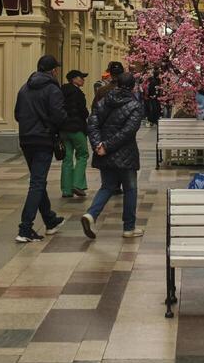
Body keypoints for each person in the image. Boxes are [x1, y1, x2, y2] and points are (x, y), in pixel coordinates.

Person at [81, 72, 145, 239]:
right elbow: (128, 131)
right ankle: (129, 228)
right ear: (133, 86)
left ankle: (91, 215)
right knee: (130, 189)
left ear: (116, 84)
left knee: (107, 186)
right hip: (126, 154)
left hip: (104, 153)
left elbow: (92, 123)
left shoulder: (104, 101)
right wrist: (107, 146)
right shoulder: (135, 105)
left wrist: (98, 145)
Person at [13, 54, 69, 243]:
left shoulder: (24, 88)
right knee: (37, 183)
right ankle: (25, 228)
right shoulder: (53, 90)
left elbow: (17, 114)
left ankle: (50, 220)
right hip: (43, 140)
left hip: (26, 139)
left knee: (38, 180)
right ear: (53, 70)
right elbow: (59, 116)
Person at [59, 69, 91, 200]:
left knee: (67, 158)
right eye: (81, 77)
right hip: (77, 128)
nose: (83, 80)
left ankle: (66, 190)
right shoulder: (78, 93)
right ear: (74, 79)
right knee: (83, 155)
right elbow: (83, 112)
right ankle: (77, 184)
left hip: (63, 129)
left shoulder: (60, 92)